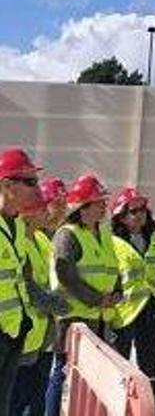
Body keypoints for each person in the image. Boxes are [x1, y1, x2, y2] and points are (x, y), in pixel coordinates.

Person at [45, 174, 121, 416]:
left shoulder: (103, 232)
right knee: (64, 373)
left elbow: (112, 267)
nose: (104, 207)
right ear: (83, 207)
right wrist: (99, 298)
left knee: (92, 379)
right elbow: (67, 277)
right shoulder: (67, 234)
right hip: (72, 319)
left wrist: (117, 290)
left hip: (98, 318)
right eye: (99, 203)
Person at [108, 187, 155, 397]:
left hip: (150, 308)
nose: (141, 214)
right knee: (119, 367)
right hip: (123, 312)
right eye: (134, 211)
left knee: (149, 365)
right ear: (121, 216)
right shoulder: (111, 242)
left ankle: (148, 408)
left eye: (143, 209)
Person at [11, 190, 67, 416]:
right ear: (29, 213)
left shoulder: (42, 238)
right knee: (18, 400)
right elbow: (27, 284)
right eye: (42, 208)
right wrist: (56, 304)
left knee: (37, 399)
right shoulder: (19, 240)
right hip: (24, 335)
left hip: (43, 334)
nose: (47, 212)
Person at [0, 148, 39, 415]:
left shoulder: (17, 226)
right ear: (7, 185)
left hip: (13, 331)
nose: (36, 189)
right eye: (30, 182)